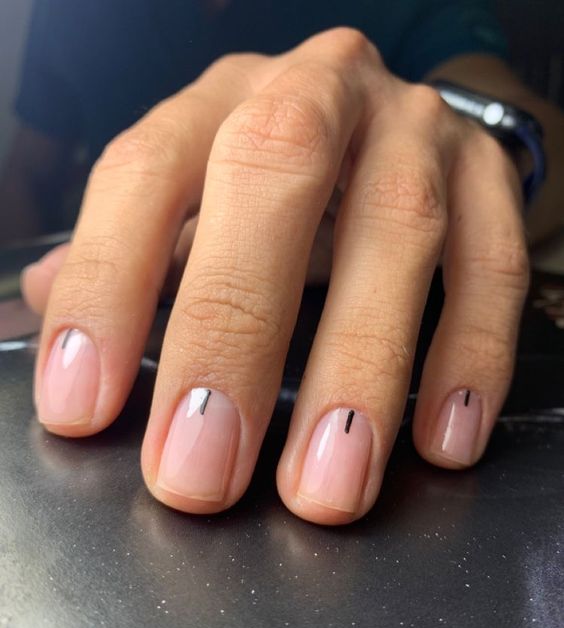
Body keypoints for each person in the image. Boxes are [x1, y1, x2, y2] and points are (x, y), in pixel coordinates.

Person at [5, 0, 564, 525]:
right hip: (119, 320)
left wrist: (473, 164)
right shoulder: (68, 12)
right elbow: (28, 168)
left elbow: (537, 134)